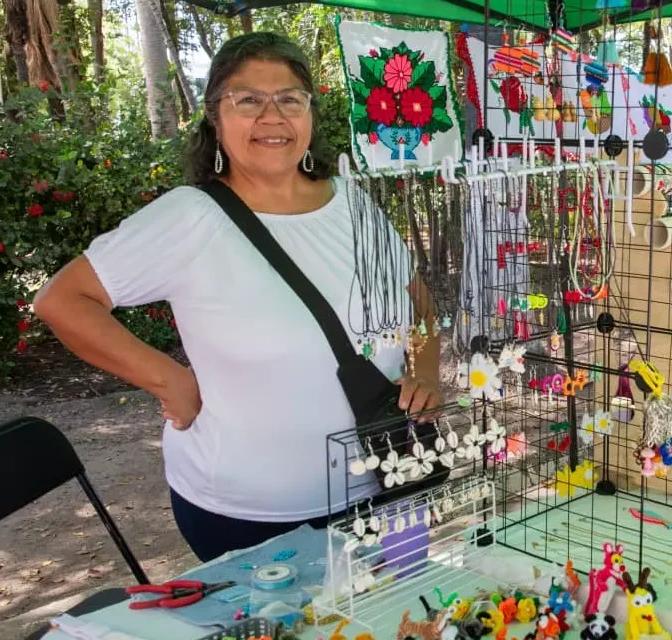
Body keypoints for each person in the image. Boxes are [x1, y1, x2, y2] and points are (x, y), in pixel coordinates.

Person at [33, 33, 442, 562]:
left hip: (384, 485)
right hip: (249, 515)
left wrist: (426, 371)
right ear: (214, 117)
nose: (272, 117)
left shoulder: (354, 203)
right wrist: (168, 380)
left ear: (310, 113)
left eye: (290, 99)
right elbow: (62, 300)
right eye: (248, 100)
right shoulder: (190, 216)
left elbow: (421, 306)